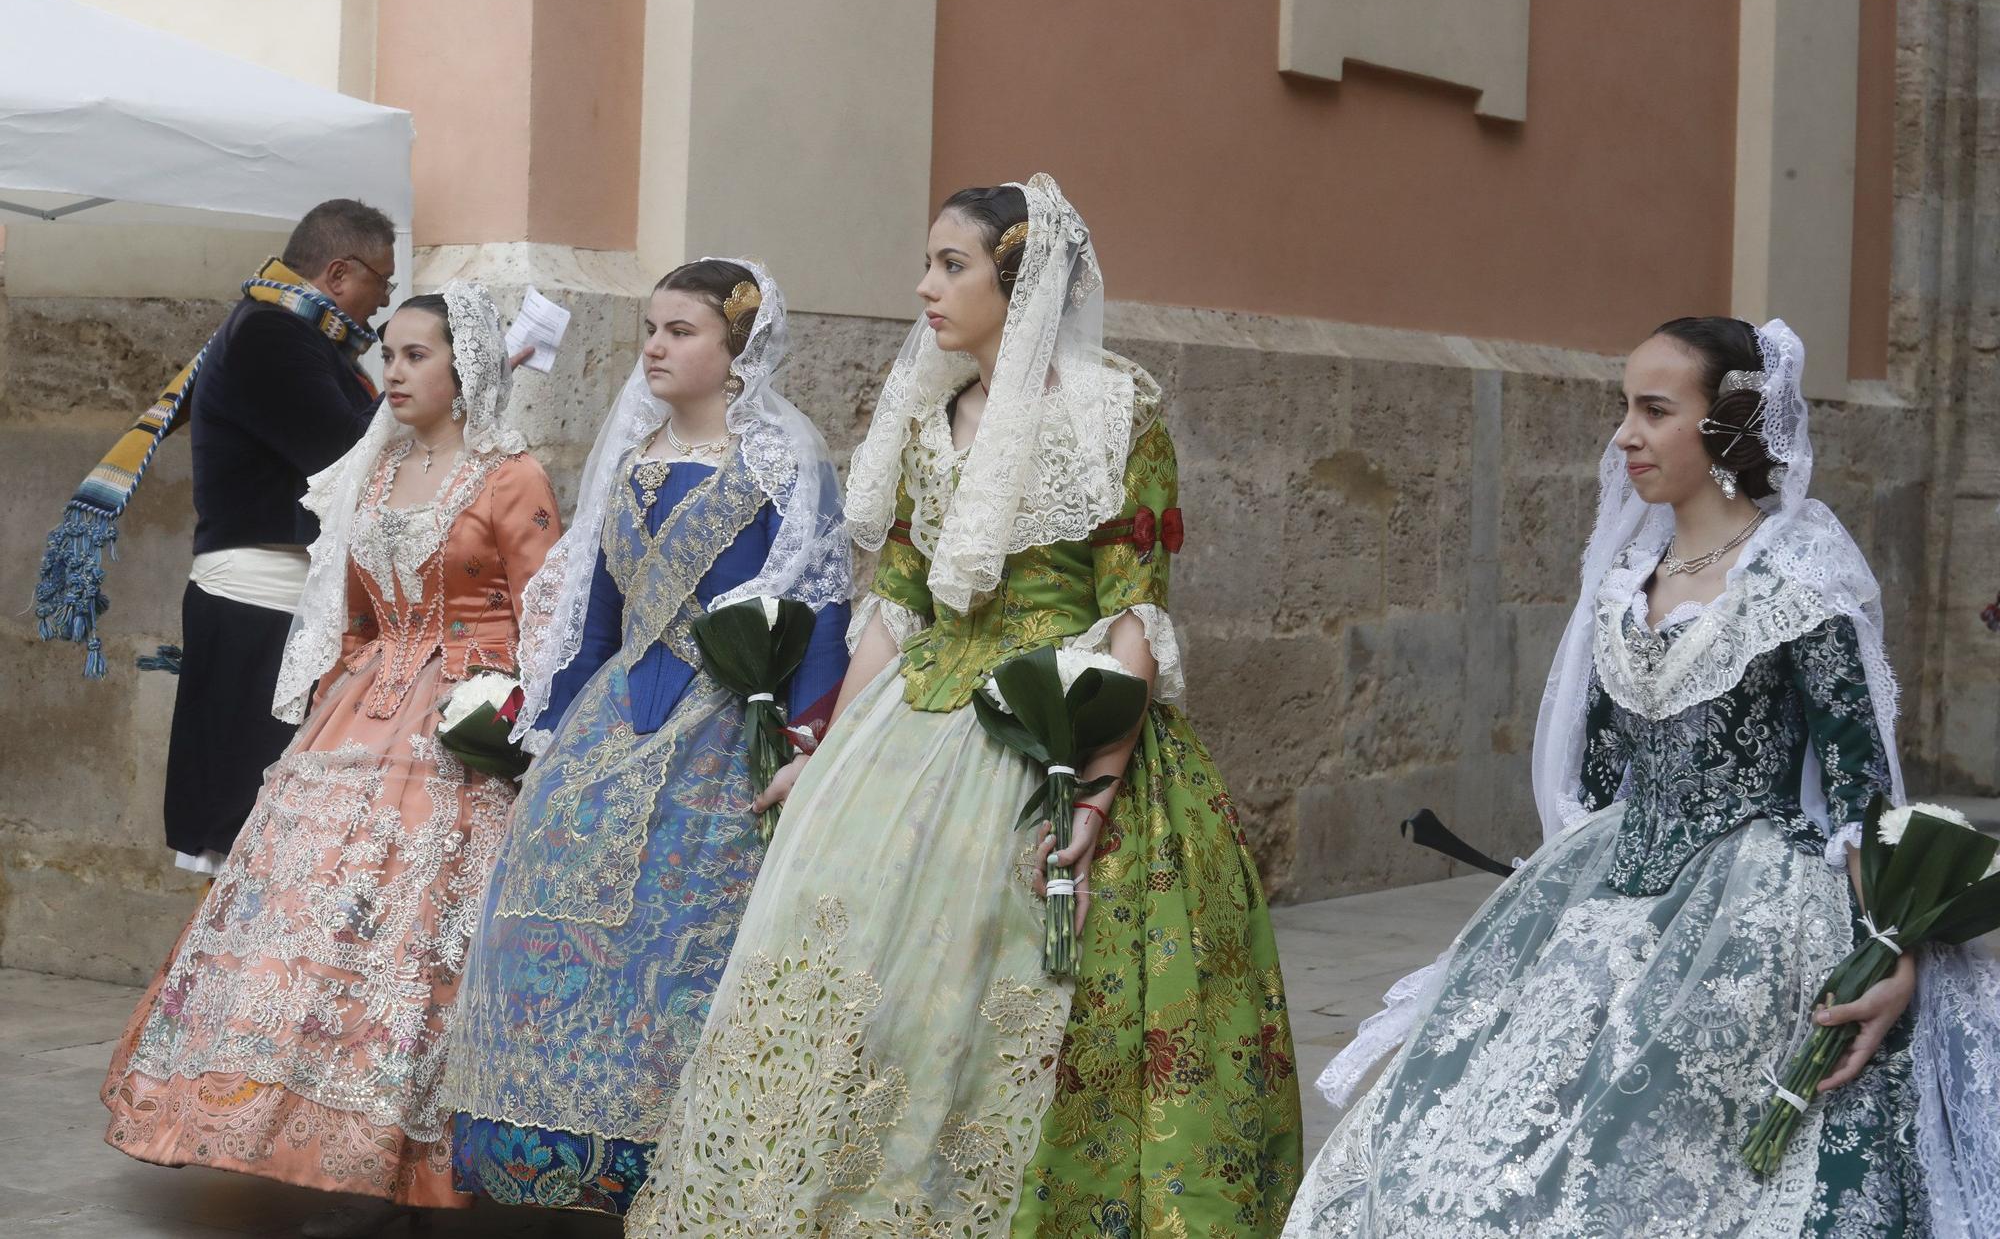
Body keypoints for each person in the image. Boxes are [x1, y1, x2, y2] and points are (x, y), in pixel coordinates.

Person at [625, 176, 1299, 1238]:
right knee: (852, 981)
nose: (924, 286)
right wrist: (826, 751)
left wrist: (1090, 798)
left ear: (1019, 280)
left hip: (1055, 728)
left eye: (952, 264)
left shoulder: (1117, 412)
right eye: (928, 263)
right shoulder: (926, 419)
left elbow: (1132, 616)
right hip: (912, 721)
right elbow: (893, 604)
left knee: (1014, 1001)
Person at [1285, 318, 1934, 1237]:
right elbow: (1596, 782)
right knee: (1466, 1129)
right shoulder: (1626, 579)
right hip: (1605, 889)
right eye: (1624, 407)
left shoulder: (1797, 579)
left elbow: (1862, 794)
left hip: (1752, 907)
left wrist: (1895, 950)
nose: (1624, 433)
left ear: (1730, 429)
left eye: (1655, 410)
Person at [100, 283, 561, 1239]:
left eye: (417, 355)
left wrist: (509, 715)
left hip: (464, 725)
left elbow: (545, 614)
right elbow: (349, 611)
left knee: (413, 940)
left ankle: (399, 1165)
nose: (393, 372)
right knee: (311, 920)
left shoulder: (513, 476)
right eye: (388, 354)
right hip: (359, 709)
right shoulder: (373, 473)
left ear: (464, 368)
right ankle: (290, 1134)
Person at [444, 259, 852, 1215]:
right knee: (540, 921)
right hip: (612, 718)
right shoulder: (629, 462)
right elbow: (594, 621)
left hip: (725, 729)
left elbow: (824, 612)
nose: (658, 347)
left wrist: (803, 740)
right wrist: (545, 733)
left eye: (683, 330)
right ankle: (551, 1156)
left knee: (683, 943)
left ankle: (670, 1164)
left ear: (737, 347)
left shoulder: (787, 461)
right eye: (652, 330)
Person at [35, 199, 395, 874]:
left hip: (276, 600)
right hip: (260, 602)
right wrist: (430, 398)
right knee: (245, 829)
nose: (383, 300)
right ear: (341, 273)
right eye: (384, 280)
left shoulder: (294, 332)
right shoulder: (272, 336)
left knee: (262, 826)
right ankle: (220, 979)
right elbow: (348, 454)